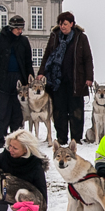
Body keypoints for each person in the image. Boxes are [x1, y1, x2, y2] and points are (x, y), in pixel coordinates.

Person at [39, 11, 94, 144]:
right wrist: (41, 72)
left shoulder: (81, 37)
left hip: (76, 80)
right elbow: (47, 55)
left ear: (72, 24)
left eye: (65, 24)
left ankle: (76, 138)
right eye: (60, 24)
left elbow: (87, 58)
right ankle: (62, 138)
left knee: (76, 111)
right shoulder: (54, 37)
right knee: (59, 112)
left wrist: (89, 77)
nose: (62, 26)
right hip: (57, 81)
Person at [0, 15, 32, 147]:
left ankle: (16, 138)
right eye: (18, 28)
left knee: (17, 112)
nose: (20, 31)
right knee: (2, 111)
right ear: (11, 27)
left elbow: (28, 62)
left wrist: (29, 80)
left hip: (19, 78)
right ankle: (0, 138)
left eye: (21, 28)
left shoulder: (24, 41)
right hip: (2, 79)